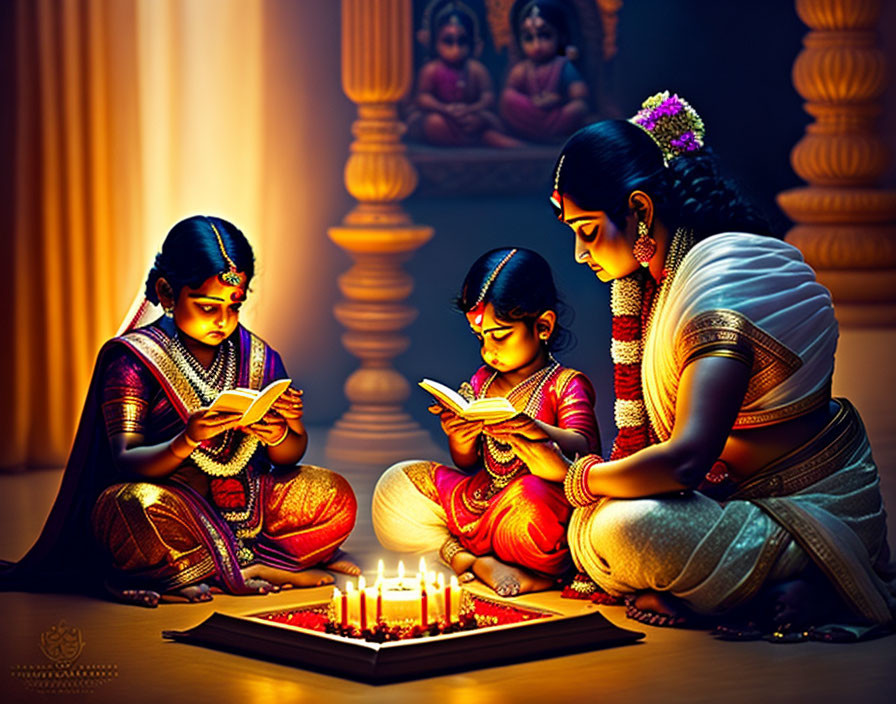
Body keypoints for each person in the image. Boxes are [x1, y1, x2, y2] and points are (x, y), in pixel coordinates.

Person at [507, 92, 895, 638]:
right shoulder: (669, 283)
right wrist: (548, 441)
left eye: (587, 229)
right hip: (736, 501)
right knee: (596, 524)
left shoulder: (718, 290)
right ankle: (743, 592)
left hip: (805, 511)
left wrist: (576, 477)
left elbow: (688, 461)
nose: (579, 252)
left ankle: (814, 581)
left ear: (639, 211)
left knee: (617, 528)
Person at [0, 216, 358, 606]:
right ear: (167, 293)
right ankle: (254, 567)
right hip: (171, 502)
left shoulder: (258, 355)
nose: (223, 321)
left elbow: (290, 454)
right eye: (207, 306)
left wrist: (280, 435)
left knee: (333, 494)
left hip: (250, 506)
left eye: (234, 306)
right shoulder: (133, 360)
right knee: (130, 506)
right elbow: (126, 460)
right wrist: (187, 439)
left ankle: (211, 567)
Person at [372, 248, 600, 597]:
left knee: (531, 503)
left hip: (533, 506)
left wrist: (539, 431)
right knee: (395, 487)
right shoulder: (482, 381)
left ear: (542, 326)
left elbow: (585, 449)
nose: (488, 350)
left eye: (500, 334)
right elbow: (466, 464)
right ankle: (474, 561)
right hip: (480, 497)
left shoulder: (566, 384)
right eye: (480, 338)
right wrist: (459, 437)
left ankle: (506, 566)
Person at [408, 0, 520, 148]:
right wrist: (445, 109)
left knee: (482, 121)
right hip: (444, 117)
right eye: (448, 41)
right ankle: (475, 141)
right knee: (434, 123)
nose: (456, 49)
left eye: (462, 42)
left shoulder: (476, 69)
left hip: (470, 116)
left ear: (473, 44)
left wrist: (470, 109)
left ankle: (485, 140)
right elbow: (423, 97)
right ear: (435, 43)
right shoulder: (431, 69)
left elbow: (488, 97)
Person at [499, 0, 588, 143]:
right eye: (529, 38)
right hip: (530, 112)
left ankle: (548, 135)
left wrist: (558, 99)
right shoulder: (523, 68)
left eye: (545, 35)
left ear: (560, 36)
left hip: (555, 114)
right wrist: (532, 103)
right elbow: (511, 91)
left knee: (578, 108)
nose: (537, 45)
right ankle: (538, 135)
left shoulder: (562, 65)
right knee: (508, 98)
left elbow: (579, 94)